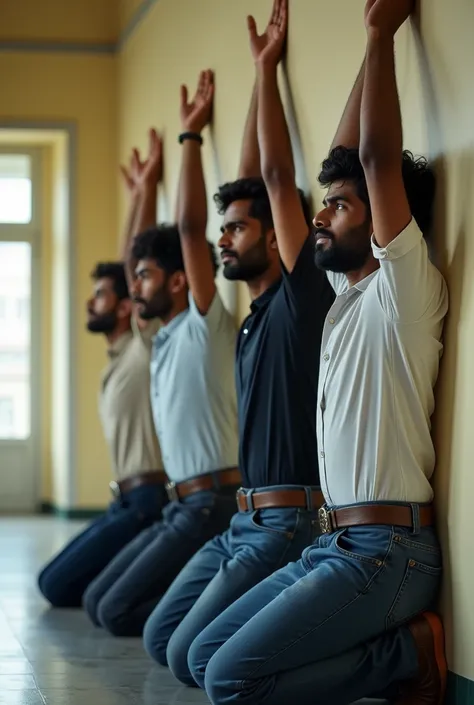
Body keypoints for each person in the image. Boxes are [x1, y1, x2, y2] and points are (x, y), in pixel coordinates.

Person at [182, 1, 449, 704]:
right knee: (207, 654)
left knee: (233, 680)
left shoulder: (407, 286)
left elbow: (371, 157)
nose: (321, 213)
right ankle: (386, 651)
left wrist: (381, 35)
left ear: (390, 216)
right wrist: (363, 57)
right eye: (324, 205)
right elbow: (343, 157)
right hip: (334, 544)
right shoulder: (340, 293)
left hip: (389, 551)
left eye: (340, 206)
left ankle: (402, 653)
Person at [142, 22, 335, 682]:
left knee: (192, 659)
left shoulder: (299, 298)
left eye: (238, 228)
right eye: (222, 229)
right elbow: (246, 189)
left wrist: (264, 75)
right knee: (161, 640)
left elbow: (273, 178)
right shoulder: (251, 318)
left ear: (278, 234)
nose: (223, 239)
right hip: (244, 518)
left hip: (288, 522)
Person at [82, 123, 240, 637]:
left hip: (213, 502)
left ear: (179, 280)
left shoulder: (205, 323)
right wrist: (142, 191)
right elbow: (132, 255)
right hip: (182, 504)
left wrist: (190, 137)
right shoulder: (159, 338)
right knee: (97, 601)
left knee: (116, 612)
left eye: (145, 276)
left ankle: (221, 608)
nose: (134, 285)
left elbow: (192, 231)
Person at [38, 148, 168, 607]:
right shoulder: (118, 355)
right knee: (50, 579)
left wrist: (147, 192)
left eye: (100, 295)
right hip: (126, 499)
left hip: (151, 501)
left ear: (128, 305)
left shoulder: (144, 343)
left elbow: (135, 261)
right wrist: (135, 192)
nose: (90, 303)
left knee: (60, 588)